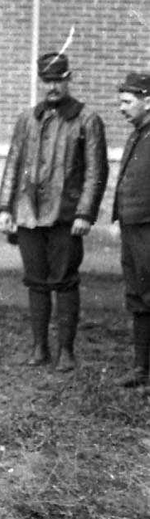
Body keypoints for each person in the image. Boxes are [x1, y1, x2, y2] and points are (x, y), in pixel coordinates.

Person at [0, 51, 108, 371]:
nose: (52, 87)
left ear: (69, 79)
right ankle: (39, 347)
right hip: (29, 214)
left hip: (65, 216)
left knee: (65, 281)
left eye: (58, 80)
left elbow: (96, 172)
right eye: (47, 80)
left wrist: (85, 213)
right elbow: (13, 165)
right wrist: (5, 208)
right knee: (35, 281)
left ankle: (66, 351)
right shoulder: (27, 119)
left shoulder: (87, 120)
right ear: (39, 81)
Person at [113, 71, 150, 388]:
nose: (121, 108)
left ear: (147, 101)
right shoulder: (138, 133)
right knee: (138, 296)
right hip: (133, 228)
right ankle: (141, 368)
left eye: (127, 101)